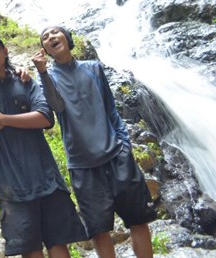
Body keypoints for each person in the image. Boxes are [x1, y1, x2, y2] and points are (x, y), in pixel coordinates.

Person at [0, 33, 87, 258]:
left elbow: (45, 118)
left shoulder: (26, 81)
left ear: (5, 51)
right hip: (12, 187)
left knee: (59, 246)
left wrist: (4, 119)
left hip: (47, 179)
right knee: (31, 251)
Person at [33, 26, 156, 258]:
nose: (50, 38)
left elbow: (111, 109)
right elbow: (57, 107)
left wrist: (124, 146)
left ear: (67, 39)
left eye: (54, 33)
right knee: (99, 230)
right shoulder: (47, 79)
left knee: (138, 219)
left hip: (117, 156)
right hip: (83, 166)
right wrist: (42, 73)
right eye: (45, 38)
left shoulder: (93, 68)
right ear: (45, 49)